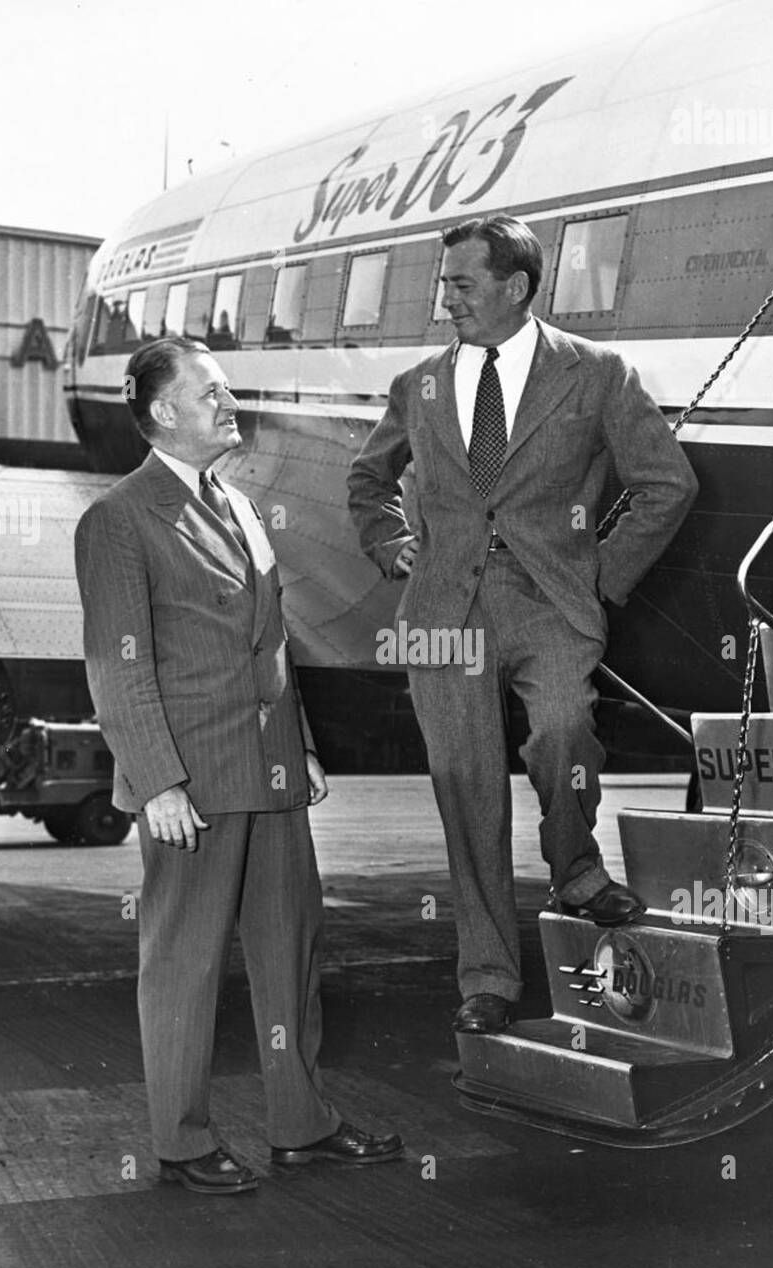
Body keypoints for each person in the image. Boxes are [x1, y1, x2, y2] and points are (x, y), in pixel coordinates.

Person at [348, 215, 698, 1037]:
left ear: (516, 287)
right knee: (464, 787)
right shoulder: (420, 385)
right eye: (444, 285)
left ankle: (575, 868)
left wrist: (601, 577)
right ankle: (489, 977)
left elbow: (666, 483)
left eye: (462, 285)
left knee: (565, 733)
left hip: (551, 600)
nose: (447, 302)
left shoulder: (599, 374)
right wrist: (393, 545)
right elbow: (368, 480)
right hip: (442, 611)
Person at [75, 337, 402, 1193]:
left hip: (270, 772)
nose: (230, 405)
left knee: (291, 949)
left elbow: (272, 647)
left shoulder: (242, 506)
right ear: (162, 414)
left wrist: (303, 749)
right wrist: (158, 783)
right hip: (193, 781)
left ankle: (302, 1124)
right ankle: (183, 1142)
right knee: (183, 962)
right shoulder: (119, 518)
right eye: (211, 394)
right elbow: (118, 664)